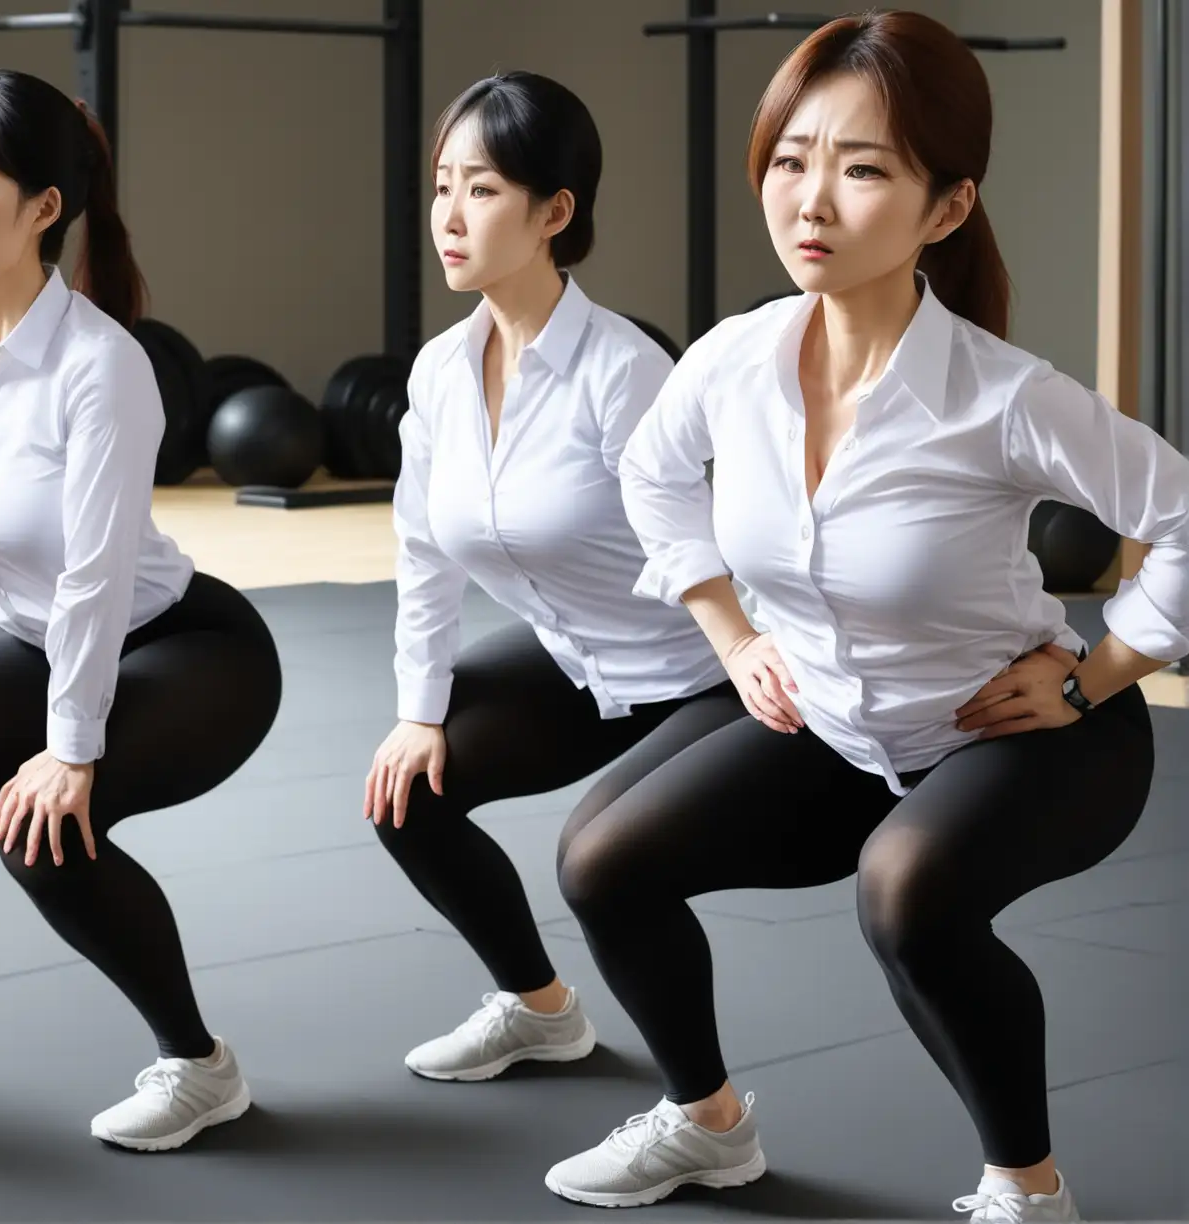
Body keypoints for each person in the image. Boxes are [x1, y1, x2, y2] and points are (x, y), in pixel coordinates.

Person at [548, 13, 1188, 1218]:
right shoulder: (734, 362)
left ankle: (1028, 1190)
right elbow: (649, 472)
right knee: (600, 859)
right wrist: (733, 636)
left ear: (945, 208)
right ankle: (707, 1125)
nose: (813, 201)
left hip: (1028, 733)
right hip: (837, 724)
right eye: (792, 160)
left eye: (863, 168)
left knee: (906, 894)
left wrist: (1096, 672)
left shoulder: (1005, 398)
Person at [0, 68, 284, 1152]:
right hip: (49, 640)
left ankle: (198, 1066)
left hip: (189, 648)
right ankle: (66, 791)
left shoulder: (103, 365)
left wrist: (70, 750)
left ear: (45, 207)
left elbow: (97, 577)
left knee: (43, 831)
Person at [369, 72, 741, 1084]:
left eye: (481, 190)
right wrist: (420, 708)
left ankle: (705, 1110)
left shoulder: (626, 374)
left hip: (704, 676)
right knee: (407, 792)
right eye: (441, 185)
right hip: (580, 663)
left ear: (554, 212)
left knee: (601, 861)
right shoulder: (441, 371)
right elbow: (421, 549)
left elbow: (716, 545)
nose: (448, 216)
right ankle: (539, 1011)